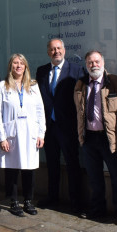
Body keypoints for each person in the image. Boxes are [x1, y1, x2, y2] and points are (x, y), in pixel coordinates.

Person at [74, 50, 117, 225]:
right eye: (90, 62)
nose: (94, 65)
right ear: (86, 65)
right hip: (89, 138)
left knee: (116, 177)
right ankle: (98, 209)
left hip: (109, 139)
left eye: (97, 61)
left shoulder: (116, 82)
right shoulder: (81, 84)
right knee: (94, 177)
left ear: (103, 63)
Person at [35, 38, 85, 213]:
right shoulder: (41, 71)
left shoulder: (76, 70)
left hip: (68, 126)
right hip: (49, 127)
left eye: (58, 48)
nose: (56, 51)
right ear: (48, 52)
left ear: (64, 50)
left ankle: (76, 201)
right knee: (52, 163)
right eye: (52, 49)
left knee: (72, 164)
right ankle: (52, 196)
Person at [0, 54, 45, 216]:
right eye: (15, 63)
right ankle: (14, 201)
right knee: (12, 169)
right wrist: (1, 137)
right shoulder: (2, 87)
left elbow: (40, 111)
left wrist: (40, 134)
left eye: (21, 63)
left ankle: (28, 201)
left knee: (29, 169)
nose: (18, 66)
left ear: (25, 67)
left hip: (30, 134)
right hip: (11, 135)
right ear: (10, 66)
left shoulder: (33, 86)